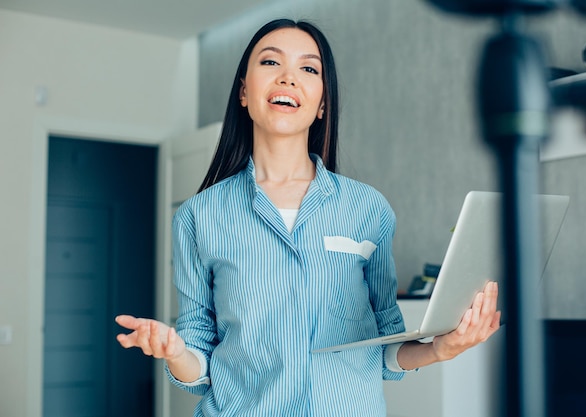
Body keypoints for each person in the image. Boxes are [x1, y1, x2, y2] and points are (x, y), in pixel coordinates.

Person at [115, 18, 501, 417]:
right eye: (270, 63)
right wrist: (175, 351)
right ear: (244, 92)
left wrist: (442, 348)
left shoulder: (369, 210)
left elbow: (385, 348)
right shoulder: (199, 216)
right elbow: (199, 364)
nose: (288, 78)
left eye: (308, 68)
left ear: (321, 104)